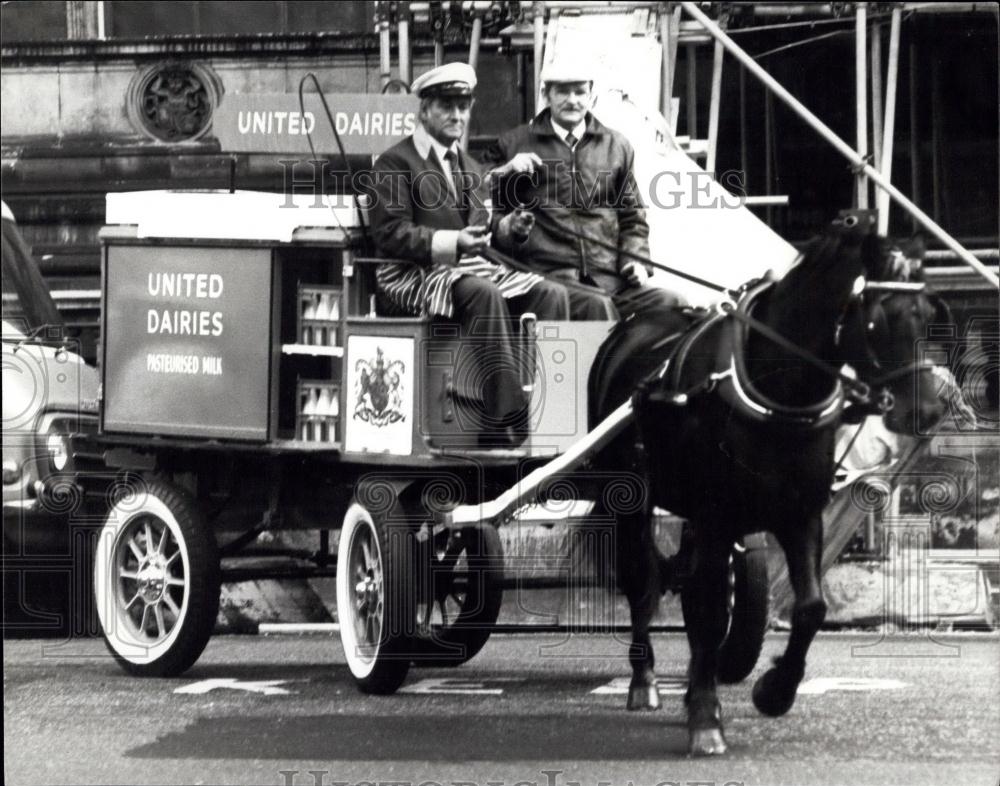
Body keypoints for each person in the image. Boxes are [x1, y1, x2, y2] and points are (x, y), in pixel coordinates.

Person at [367, 62, 570, 446]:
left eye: (463, 106)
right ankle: (503, 424)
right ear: (424, 110)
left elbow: (485, 227)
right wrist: (453, 242)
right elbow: (391, 233)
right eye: (447, 106)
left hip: (466, 270)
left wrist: (510, 229)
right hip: (412, 274)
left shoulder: (470, 166)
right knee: (483, 292)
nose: (457, 115)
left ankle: (553, 420)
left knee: (551, 293)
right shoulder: (395, 162)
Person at [488, 60, 681, 320]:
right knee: (596, 306)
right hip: (549, 277)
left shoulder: (616, 146)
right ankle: (595, 362)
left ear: (592, 95)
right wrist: (506, 171)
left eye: (580, 92)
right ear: (546, 95)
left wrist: (635, 260)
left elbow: (633, 217)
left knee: (674, 305)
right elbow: (476, 198)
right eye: (563, 92)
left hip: (610, 277)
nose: (572, 100)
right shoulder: (513, 144)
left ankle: (631, 363)